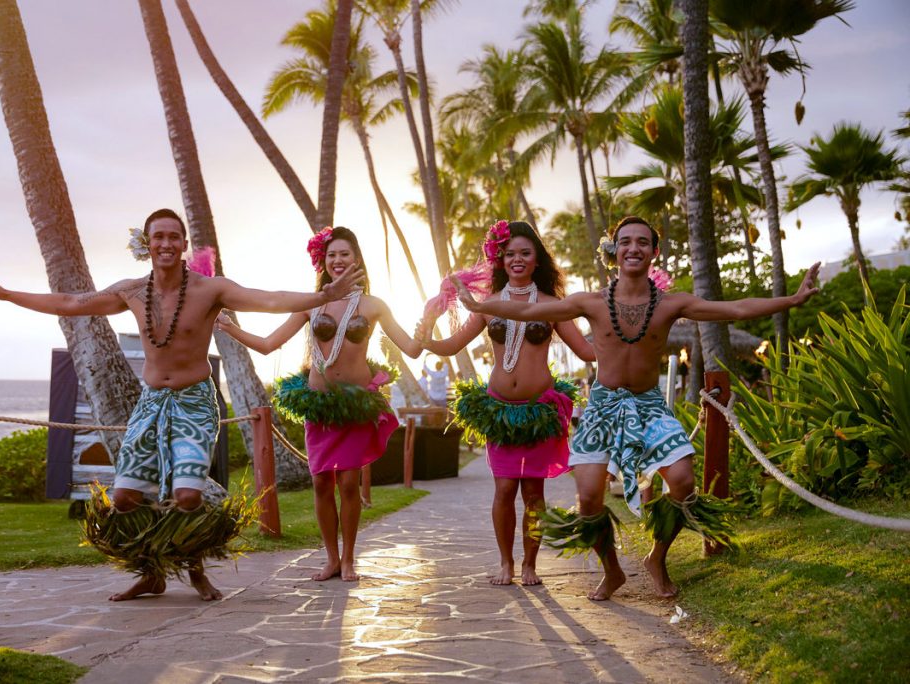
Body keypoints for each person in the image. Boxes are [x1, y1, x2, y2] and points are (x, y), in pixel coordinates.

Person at [0, 208, 363, 601]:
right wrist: (6, 294)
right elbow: (72, 302)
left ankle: (196, 572)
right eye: (159, 237)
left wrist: (323, 295)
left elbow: (268, 299)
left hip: (194, 403)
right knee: (124, 499)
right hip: (150, 402)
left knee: (188, 496)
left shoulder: (211, 289)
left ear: (184, 244)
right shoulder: (132, 291)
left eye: (174, 236)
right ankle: (151, 574)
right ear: (148, 244)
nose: (167, 243)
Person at [454, 215, 821, 600]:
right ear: (614, 253)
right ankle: (612, 571)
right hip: (603, 406)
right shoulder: (591, 303)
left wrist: (793, 299)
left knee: (682, 480)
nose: (633, 248)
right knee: (589, 495)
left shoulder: (671, 305)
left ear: (653, 252)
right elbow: (529, 312)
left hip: (649, 406)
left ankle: (657, 557)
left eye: (642, 242)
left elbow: (736, 309)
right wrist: (479, 305)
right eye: (625, 241)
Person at [216, 226, 425, 582]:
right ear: (323, 262)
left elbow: (412, 348)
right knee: (321, 483)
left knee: (348, 483)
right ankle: (330, 558)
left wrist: (428, 323)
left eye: (344, 254)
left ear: (356, 258)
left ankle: (349, 559)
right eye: (331, 255)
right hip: (320, 406)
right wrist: (231, 328)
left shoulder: (373, 306)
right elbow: (269, 344)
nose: (338, 260)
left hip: (355, 407)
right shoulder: (312, 305)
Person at [416, 220, 596, 586]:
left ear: (537, 260)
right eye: (510, 253)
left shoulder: (552, 305)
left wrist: (623, 335)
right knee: (503, 489)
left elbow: (586, 351)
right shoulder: (487, 306)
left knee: (533, 491)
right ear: (500, 260)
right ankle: (506, 563)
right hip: (500, 411)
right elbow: (451, 346)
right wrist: (427, 331)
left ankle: (530, 564)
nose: (517, 259)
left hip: (539, 411)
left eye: (525, 253)